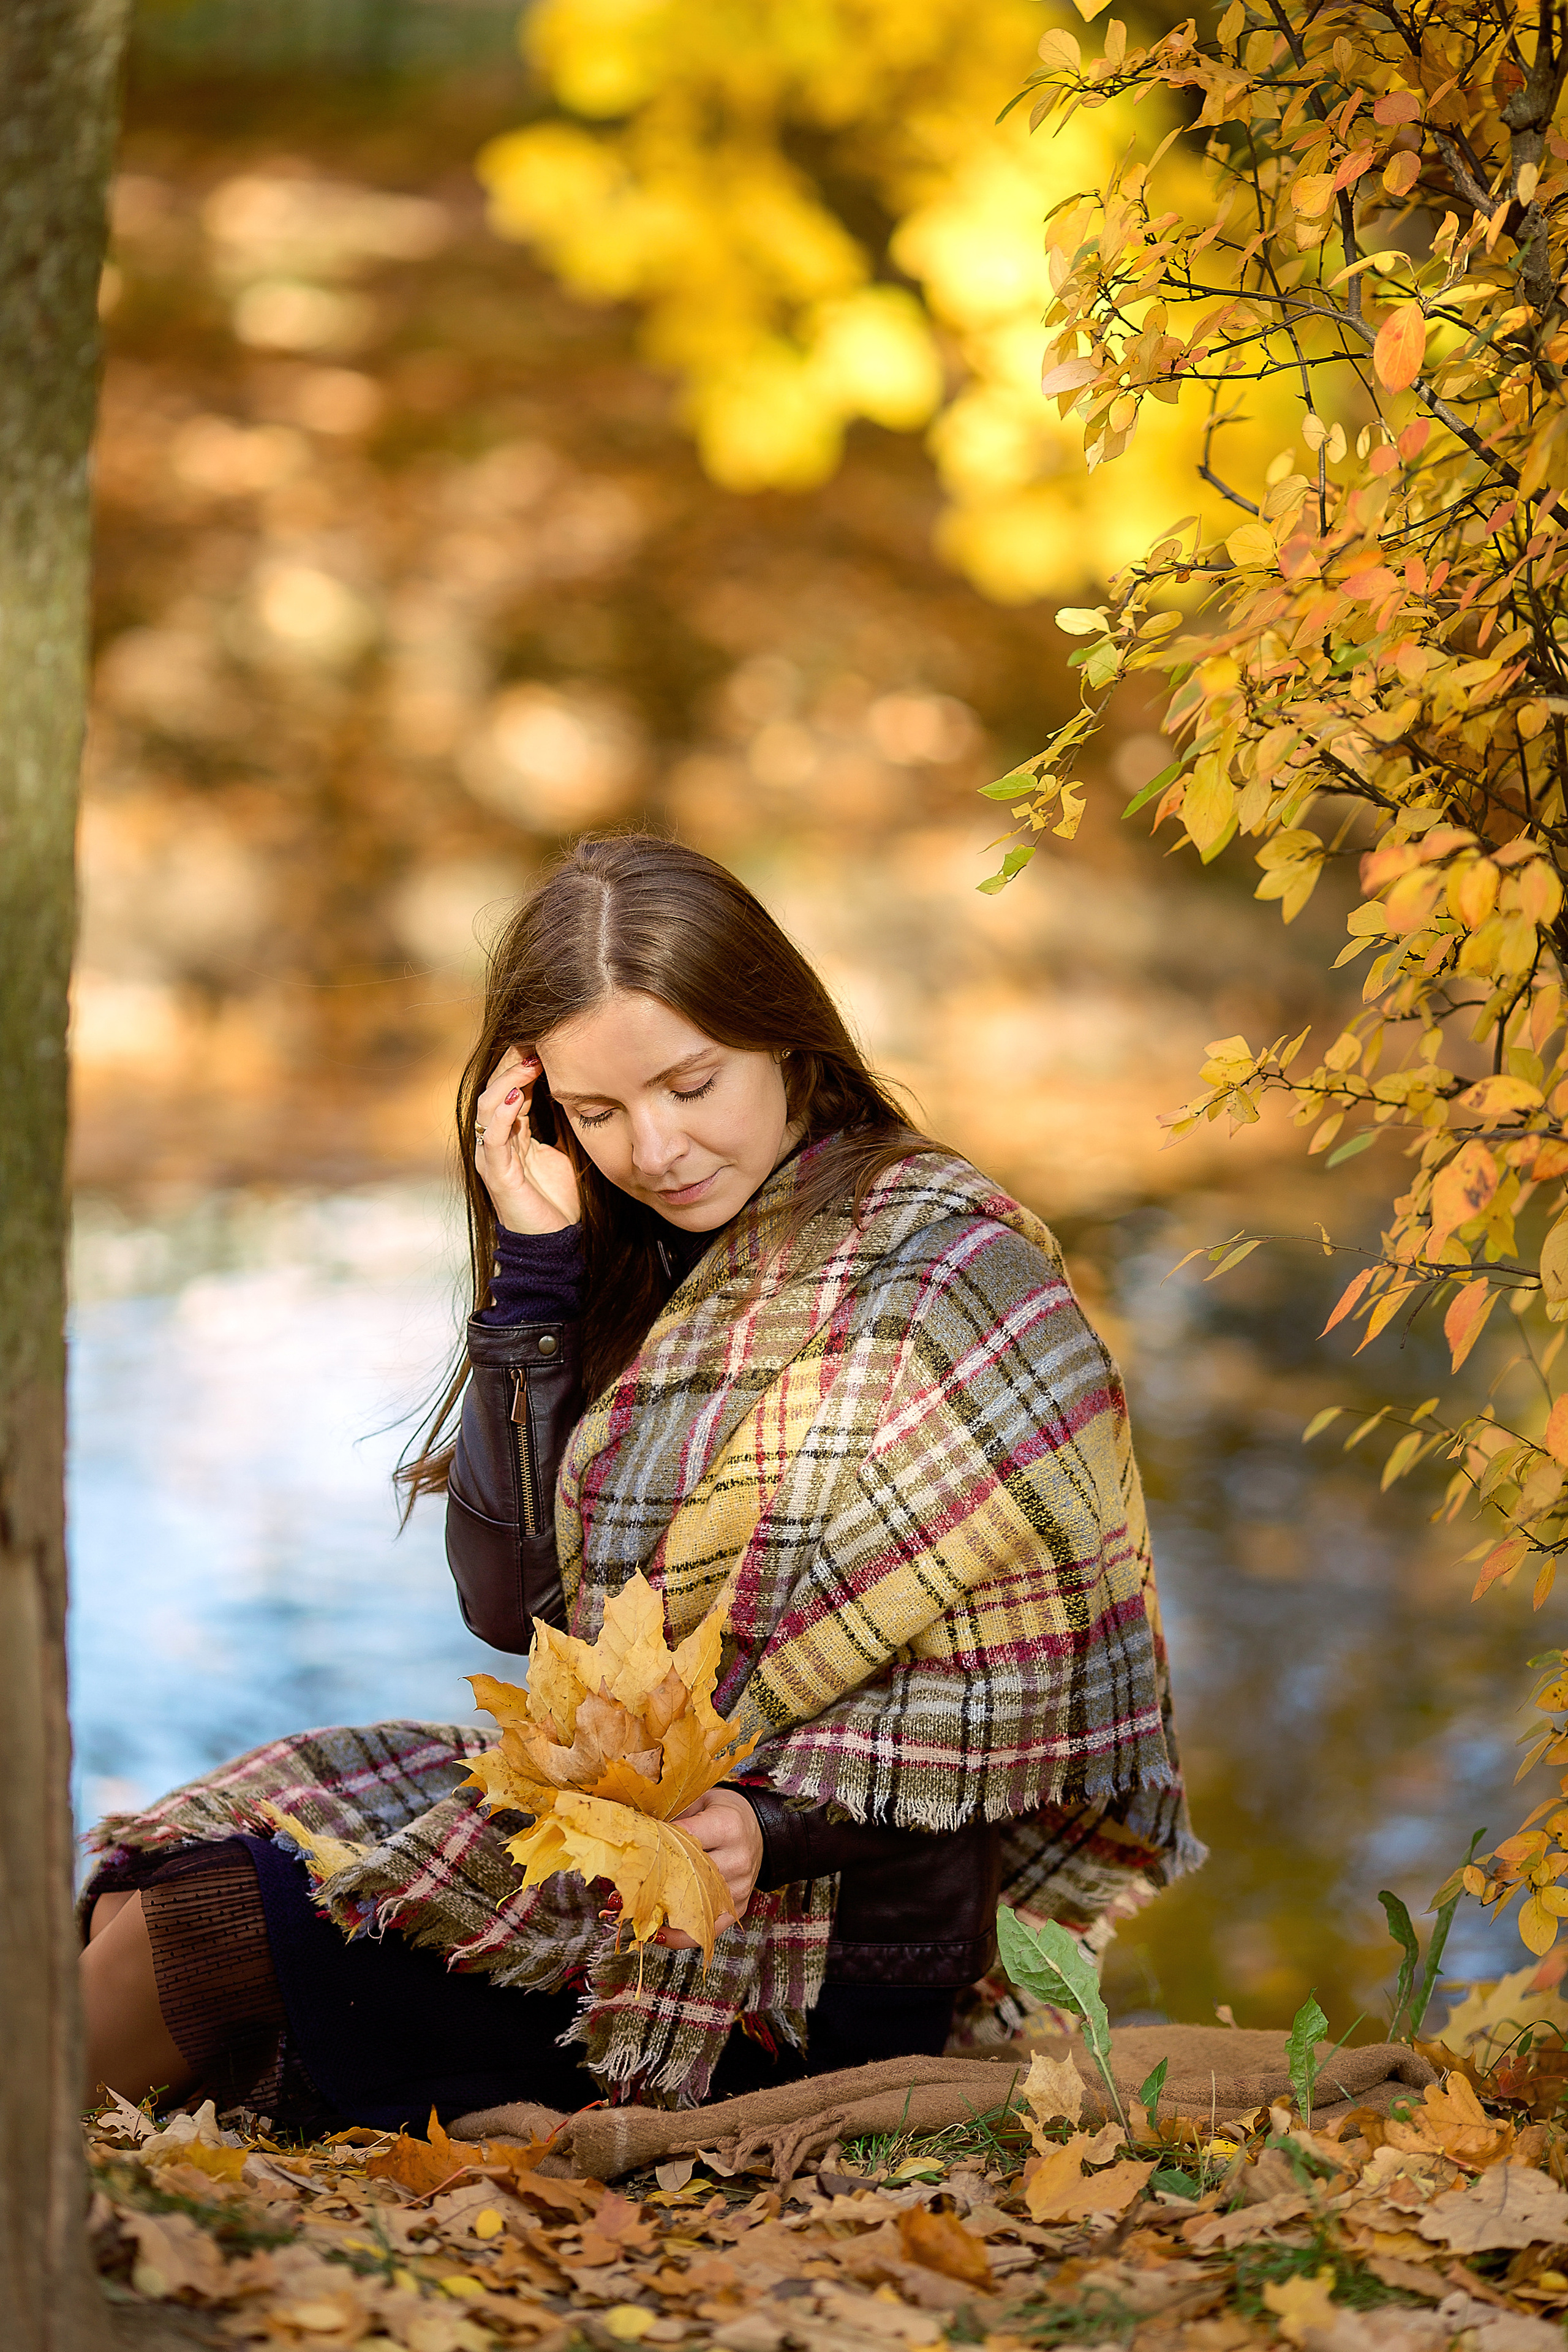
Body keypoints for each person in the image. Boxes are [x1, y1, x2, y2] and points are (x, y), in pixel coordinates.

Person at [80, 834, 1199, 2127]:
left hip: (817, 1944)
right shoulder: (625, 1261)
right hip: (617, 1835)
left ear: (784, 1037)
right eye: (597, 1112)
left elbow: (1034, 1693)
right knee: (180, 1872)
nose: (654, 1149)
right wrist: (533, 1280)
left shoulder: (945, 1270)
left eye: (689, 1084)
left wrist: (773, 1825)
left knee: (209, 1929)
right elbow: (513, 1610)